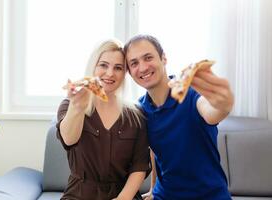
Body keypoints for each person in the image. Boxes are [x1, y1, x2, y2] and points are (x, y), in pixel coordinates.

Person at [124, 34, 234, 200]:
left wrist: (223, 104)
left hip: (210, 195)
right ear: (130, 72)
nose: (143, 67)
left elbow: (211, 112)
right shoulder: (141, 110)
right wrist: (153, 187)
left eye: (148, 58)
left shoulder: (191, 94)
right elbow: (154, 150)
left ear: (164, 58)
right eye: (134, 63)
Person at [56, 39, 151, 200]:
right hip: (79, 195)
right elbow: (69, 139)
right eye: (103, 65)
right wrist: (77, 107)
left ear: (125, 73)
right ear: (93, 66)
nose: (110, 73)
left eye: (118, 68)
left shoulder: (136, 115)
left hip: (124, 196)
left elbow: (139, 166)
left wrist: (122, 198)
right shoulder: (70, 105)